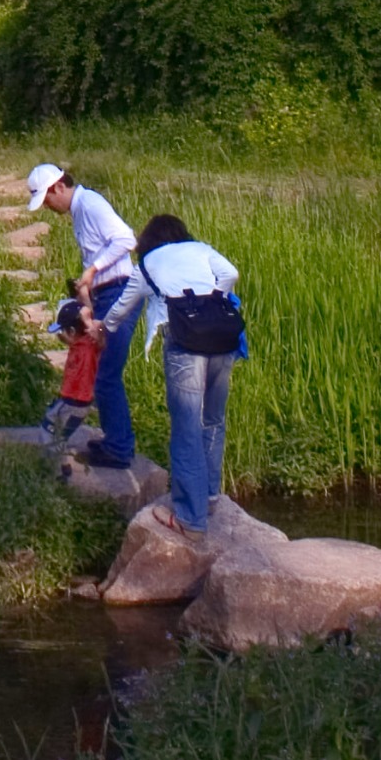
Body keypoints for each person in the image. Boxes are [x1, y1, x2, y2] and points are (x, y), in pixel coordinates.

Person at [132, 213, 243, 535]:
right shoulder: (200, 252)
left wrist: (104, 326)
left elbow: (126, 303)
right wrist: (215, 298)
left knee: (187, 427)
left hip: (186, 345)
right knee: (213, 419)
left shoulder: (151, 263)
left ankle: (190, 519)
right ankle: (209, 496)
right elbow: (231, 273)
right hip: (222, 340)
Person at [23, 163, 139, 469]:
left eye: (47, 200)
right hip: (106, 293)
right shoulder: (79, 212)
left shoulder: (91, 205)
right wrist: (86, 290)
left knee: (105, 376)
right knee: (104, 373)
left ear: (58, 187)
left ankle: (119, 450)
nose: (48, 207)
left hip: (119, 291)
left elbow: (127, 239)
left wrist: (91, 270)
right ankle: (116, 441)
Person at [43, 293, 102, 446]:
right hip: (81, 401)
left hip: (73, 400)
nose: (60, 336)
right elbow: (98, 329)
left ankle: (53, 465)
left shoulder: (82, 350)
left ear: (72, 331)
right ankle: (60, 462)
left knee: (50, 430)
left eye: (62, 332)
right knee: (61, 432)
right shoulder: (89, 343)